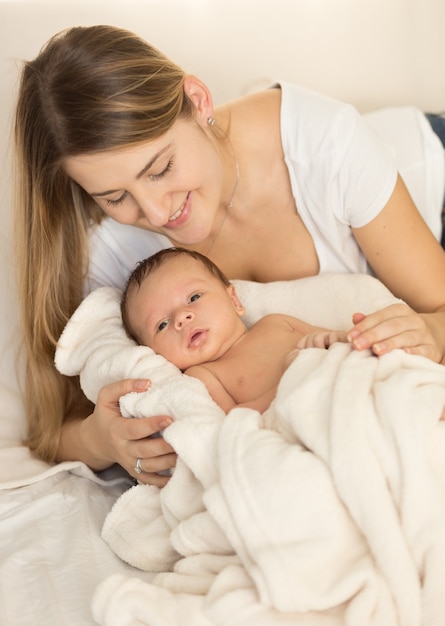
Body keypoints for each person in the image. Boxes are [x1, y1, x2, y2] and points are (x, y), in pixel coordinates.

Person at [13, 24, 445, 486]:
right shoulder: (114, 251)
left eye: (160, 168)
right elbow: (54, 431)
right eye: (116, 196)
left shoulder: (326, 145)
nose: (156, 213)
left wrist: (428, 334)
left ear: (198, 101)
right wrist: (103, 438)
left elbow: (439, 309)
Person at [121, 247, 348, 414]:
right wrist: (288, 383)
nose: (182, 317)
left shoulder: (276, 323)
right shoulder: (203, 375)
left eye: (194, 297)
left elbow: (344, 339)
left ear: (234, 300)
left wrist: (330, 342)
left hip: (344, 382)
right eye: (162, 324)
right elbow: (234, 421)